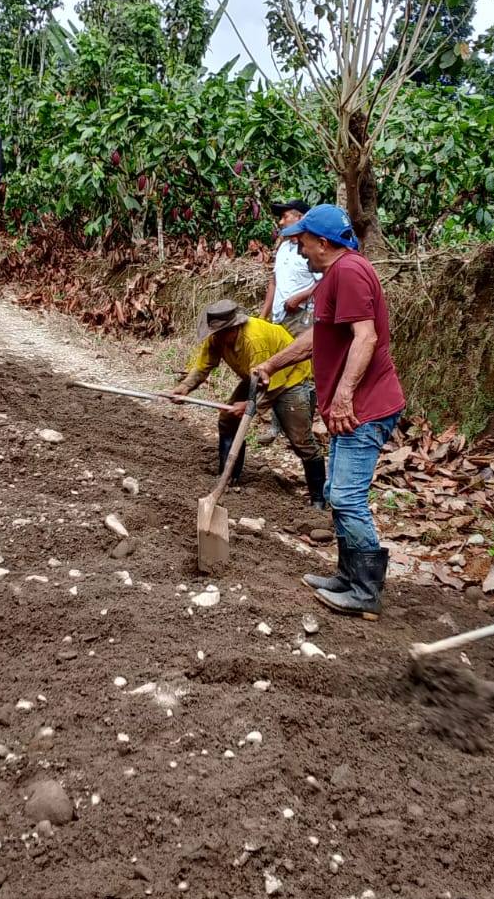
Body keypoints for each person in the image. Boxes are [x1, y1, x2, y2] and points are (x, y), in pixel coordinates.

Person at [252, 204, 405, 618]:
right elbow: (317, 338)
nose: (299, 250)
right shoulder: (333, 276)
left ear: (323, 243)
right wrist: (273, 364)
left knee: (346, 497)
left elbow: (366, 338)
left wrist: (343, 396)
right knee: (338, 493)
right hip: (353, 406)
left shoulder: (350, 272)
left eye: (303, 242)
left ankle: (366, 591)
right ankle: (347, 575)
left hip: (364, 407)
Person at [169, 298, 327, 507]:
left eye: (222, 333)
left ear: (234, 328)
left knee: (300, 440)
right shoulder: (216, 338)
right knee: (227, 420)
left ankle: (319, 498)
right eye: (215, 333)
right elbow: (203, 366)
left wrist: (248, 406)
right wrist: (185, 387)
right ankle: (229, 476)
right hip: (254, 377)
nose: (217, 337)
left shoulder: (254, 339)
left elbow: (272, 386)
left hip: (289, 380)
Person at [261, 198, 319, 338]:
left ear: (300, 217)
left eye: (285, 217)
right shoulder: (284, 247)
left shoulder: (313, 248)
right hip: (278, 318)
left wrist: (299, 297)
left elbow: (324, 281)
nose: (281, 222)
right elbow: (274, 282)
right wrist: (263, 316)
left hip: (300, 317)